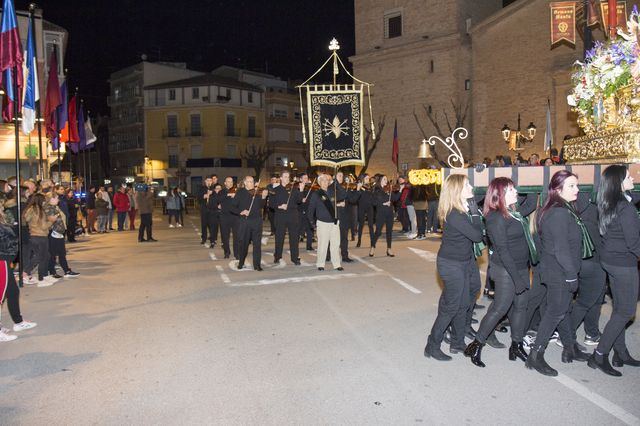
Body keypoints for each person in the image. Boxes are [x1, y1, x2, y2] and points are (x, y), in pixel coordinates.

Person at [464, 178, 536, 367]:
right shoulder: (495, 218)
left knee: (521, 306)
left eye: (514, 188)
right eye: (511, 189)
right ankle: (476, 345)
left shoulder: (515, 213)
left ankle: (516, 345)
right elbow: (503, 251)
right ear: (499, 195)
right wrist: (517, 279)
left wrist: (534, 178)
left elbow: (532, 201)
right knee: (499, 309)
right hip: (505, 270)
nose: (516, 192)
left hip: (521, 267)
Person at [526, 170, 591, 377]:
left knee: (562, 311)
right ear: (557, 189)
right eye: (571, 186)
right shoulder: (559, 213)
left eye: (576, 185)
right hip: (559, 272)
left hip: (556, 269)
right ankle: (535, 356)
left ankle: (570, 347)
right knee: (555, 312)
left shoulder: (559, 208)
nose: (577, 190)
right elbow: (561, 249)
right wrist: (571, 275)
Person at [424, 174, 483, 361]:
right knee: (451, 307)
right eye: (467, 185)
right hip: (451, 265)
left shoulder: (460, 209)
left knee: (464, 303)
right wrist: (475, 212)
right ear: (457, 190)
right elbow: (477, 235)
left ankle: (457, 342)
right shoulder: (455, 214)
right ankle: (432, 345)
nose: (471, 187)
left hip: (463, 262)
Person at [589, 165, 640, 376]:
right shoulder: (625, 208)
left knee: (619, 308)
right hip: (623, 264)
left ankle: (620, 352)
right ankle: (599, 355)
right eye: (629, 177)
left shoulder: (608, 202)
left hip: (610, 260)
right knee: (626, 312)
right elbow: (634, 242)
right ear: (619, 182)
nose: (633, 178)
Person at [0, 207, 37, 342]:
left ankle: (18, 322)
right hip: (1, 260)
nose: (2, 207)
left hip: (5, 259)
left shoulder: (3, 220)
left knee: (12, 292)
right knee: (1, 294)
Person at [231, 176, 268, 270]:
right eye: (249, 181)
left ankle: (257, 265)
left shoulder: (257, 192)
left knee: (257, 244)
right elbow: (232, 207)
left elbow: (261, 205)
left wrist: (263, 197)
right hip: (245, 221)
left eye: (252, 181)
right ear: (245, 183)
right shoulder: (240, 192)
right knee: (244, 243)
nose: (251, 183)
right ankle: (241, 262)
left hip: (257, 221)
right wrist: (241, 211)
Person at [307, 174, 343, 271]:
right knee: (322, 245)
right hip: (322, 223)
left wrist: (336, 183)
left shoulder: (333, 192)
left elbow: (344, 195)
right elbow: (310, 210)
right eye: (323, 180)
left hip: (334, 223)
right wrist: (312, 223)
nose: (325, 182)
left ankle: (336, 264)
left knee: (335, 245)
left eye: (327, 180)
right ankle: (320, 264)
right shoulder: (316, 194)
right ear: (319, 183)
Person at [23, 193, 58, 286]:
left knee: (44, 256)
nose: (44, 202)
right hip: (41, 236)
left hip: (33, 235)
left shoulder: (30, 209)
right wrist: (52, 221)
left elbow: (26, 219)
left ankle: (42, 277)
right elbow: (43, 226)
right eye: (43, 200)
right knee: (41, 257)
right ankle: (38, 277)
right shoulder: (39, 210)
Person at [270, 170, 303, 265]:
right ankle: (277, 256)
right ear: (280, 178)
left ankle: (295, 258)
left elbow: (299, 200)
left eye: (288, 177)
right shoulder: (275, 190)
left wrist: (300, 190)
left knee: (294, 238)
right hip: (280, 216)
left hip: (293, 216)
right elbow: (271, 204)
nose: (287, 178)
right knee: (279, 238)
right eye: (285, 176)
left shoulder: (294, 188)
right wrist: (280, 206)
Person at [46, 193, 79, 278]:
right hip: (53, 233)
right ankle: (52, 272)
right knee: (52, 254)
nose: (58, 200)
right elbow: (49, 222)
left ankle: (66, 270)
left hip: (59, 233)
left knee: (62, 253)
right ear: (51, 199)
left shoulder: (55, 207)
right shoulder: (48, 208)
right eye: (56, 198)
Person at [370, 174, 401, 257]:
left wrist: (400, 190)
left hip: (390, 213)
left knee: (389, 231)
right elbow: (374, 202)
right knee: (378, 231)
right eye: (384, 179)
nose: (386, 181)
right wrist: (383, 203)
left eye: (386, 179)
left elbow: (394, 198)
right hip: (381, 213)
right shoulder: (376, 190)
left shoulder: (389, 189)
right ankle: (373, 246)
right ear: (380, 180)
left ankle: (389, 249)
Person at [219, 177, 238, 259]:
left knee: (236, 236)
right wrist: (229, 194)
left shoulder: (236, 191)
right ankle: (226, 252)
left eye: (231, 182)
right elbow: (219, 199)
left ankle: (237, 253)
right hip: (224, 216)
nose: (230, 183)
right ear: (225, 183)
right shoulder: (221, 192)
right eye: (228, 181)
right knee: (225, 236)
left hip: (234, 216)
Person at [356, 174, 374, 248]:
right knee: (361, 225)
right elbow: (356, 197)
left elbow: (373, 197)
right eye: (366, 178)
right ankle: (359, 240)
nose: (368, 180)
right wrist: (358, 188)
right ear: (362, 179)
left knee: (371, 225)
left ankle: (372, 241)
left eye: (368, 179)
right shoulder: (359, 186)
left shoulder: (370, 187)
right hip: (361, 207)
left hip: (369, 207)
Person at [298, 173, 315, 251]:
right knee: (299, 230)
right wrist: (301, 199)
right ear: (300, 179)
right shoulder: (297, 189)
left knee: (310, 230)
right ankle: (295, 246)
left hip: (309, 212)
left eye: (307, 178)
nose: (306, 180)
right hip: (300, 212)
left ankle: (309, 246)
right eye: (304, 178)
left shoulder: (310, 189)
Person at [198, 175, 216, 244]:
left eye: (210, 181)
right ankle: (204, 238)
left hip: (212, 209)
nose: (209, 182)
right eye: (208, 181)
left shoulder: (214, 189)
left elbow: (217, 198)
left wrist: (213, 194)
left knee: (212, 225)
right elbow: (198, 198)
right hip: (204, 209)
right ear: (205, 181)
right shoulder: (202, 188)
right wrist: (204, 196)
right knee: (204, 224)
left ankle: (212, 239)